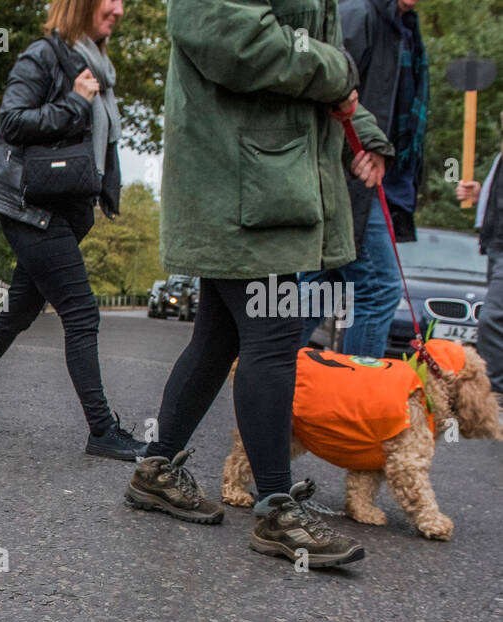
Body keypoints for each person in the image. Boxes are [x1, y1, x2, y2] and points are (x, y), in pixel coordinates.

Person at [124, 0, 391, 567]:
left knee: (219, 338)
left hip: (259, 179)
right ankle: (276, 509)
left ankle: (156, 468)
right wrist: (338, 71)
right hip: (237, 180)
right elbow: (232, 36)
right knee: (275, 331)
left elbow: (310, 64)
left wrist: (360, 131)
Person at [0, 0, 144, 460]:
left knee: (17, 312)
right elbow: (12, 122)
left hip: (63, 210)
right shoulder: (42, 56)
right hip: (31, 209)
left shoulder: (95, 68)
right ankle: (102, 430)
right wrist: (74, 101)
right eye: (108, 1)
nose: (119, 9)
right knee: (82, 314)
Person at [299, 0, 423, 354]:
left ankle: (270, 386)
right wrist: (361, 148)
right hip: (350, 179)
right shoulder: (360, 14)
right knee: (379, 287)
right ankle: (355, 399)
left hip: (368, 178)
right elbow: (325, 86)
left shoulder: (402, 26)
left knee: (319, 288)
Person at [457, 117, 503, 395]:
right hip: (495, 246)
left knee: (494, 318)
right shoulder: (500, 159)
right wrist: (479, 197)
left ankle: (494, 392)